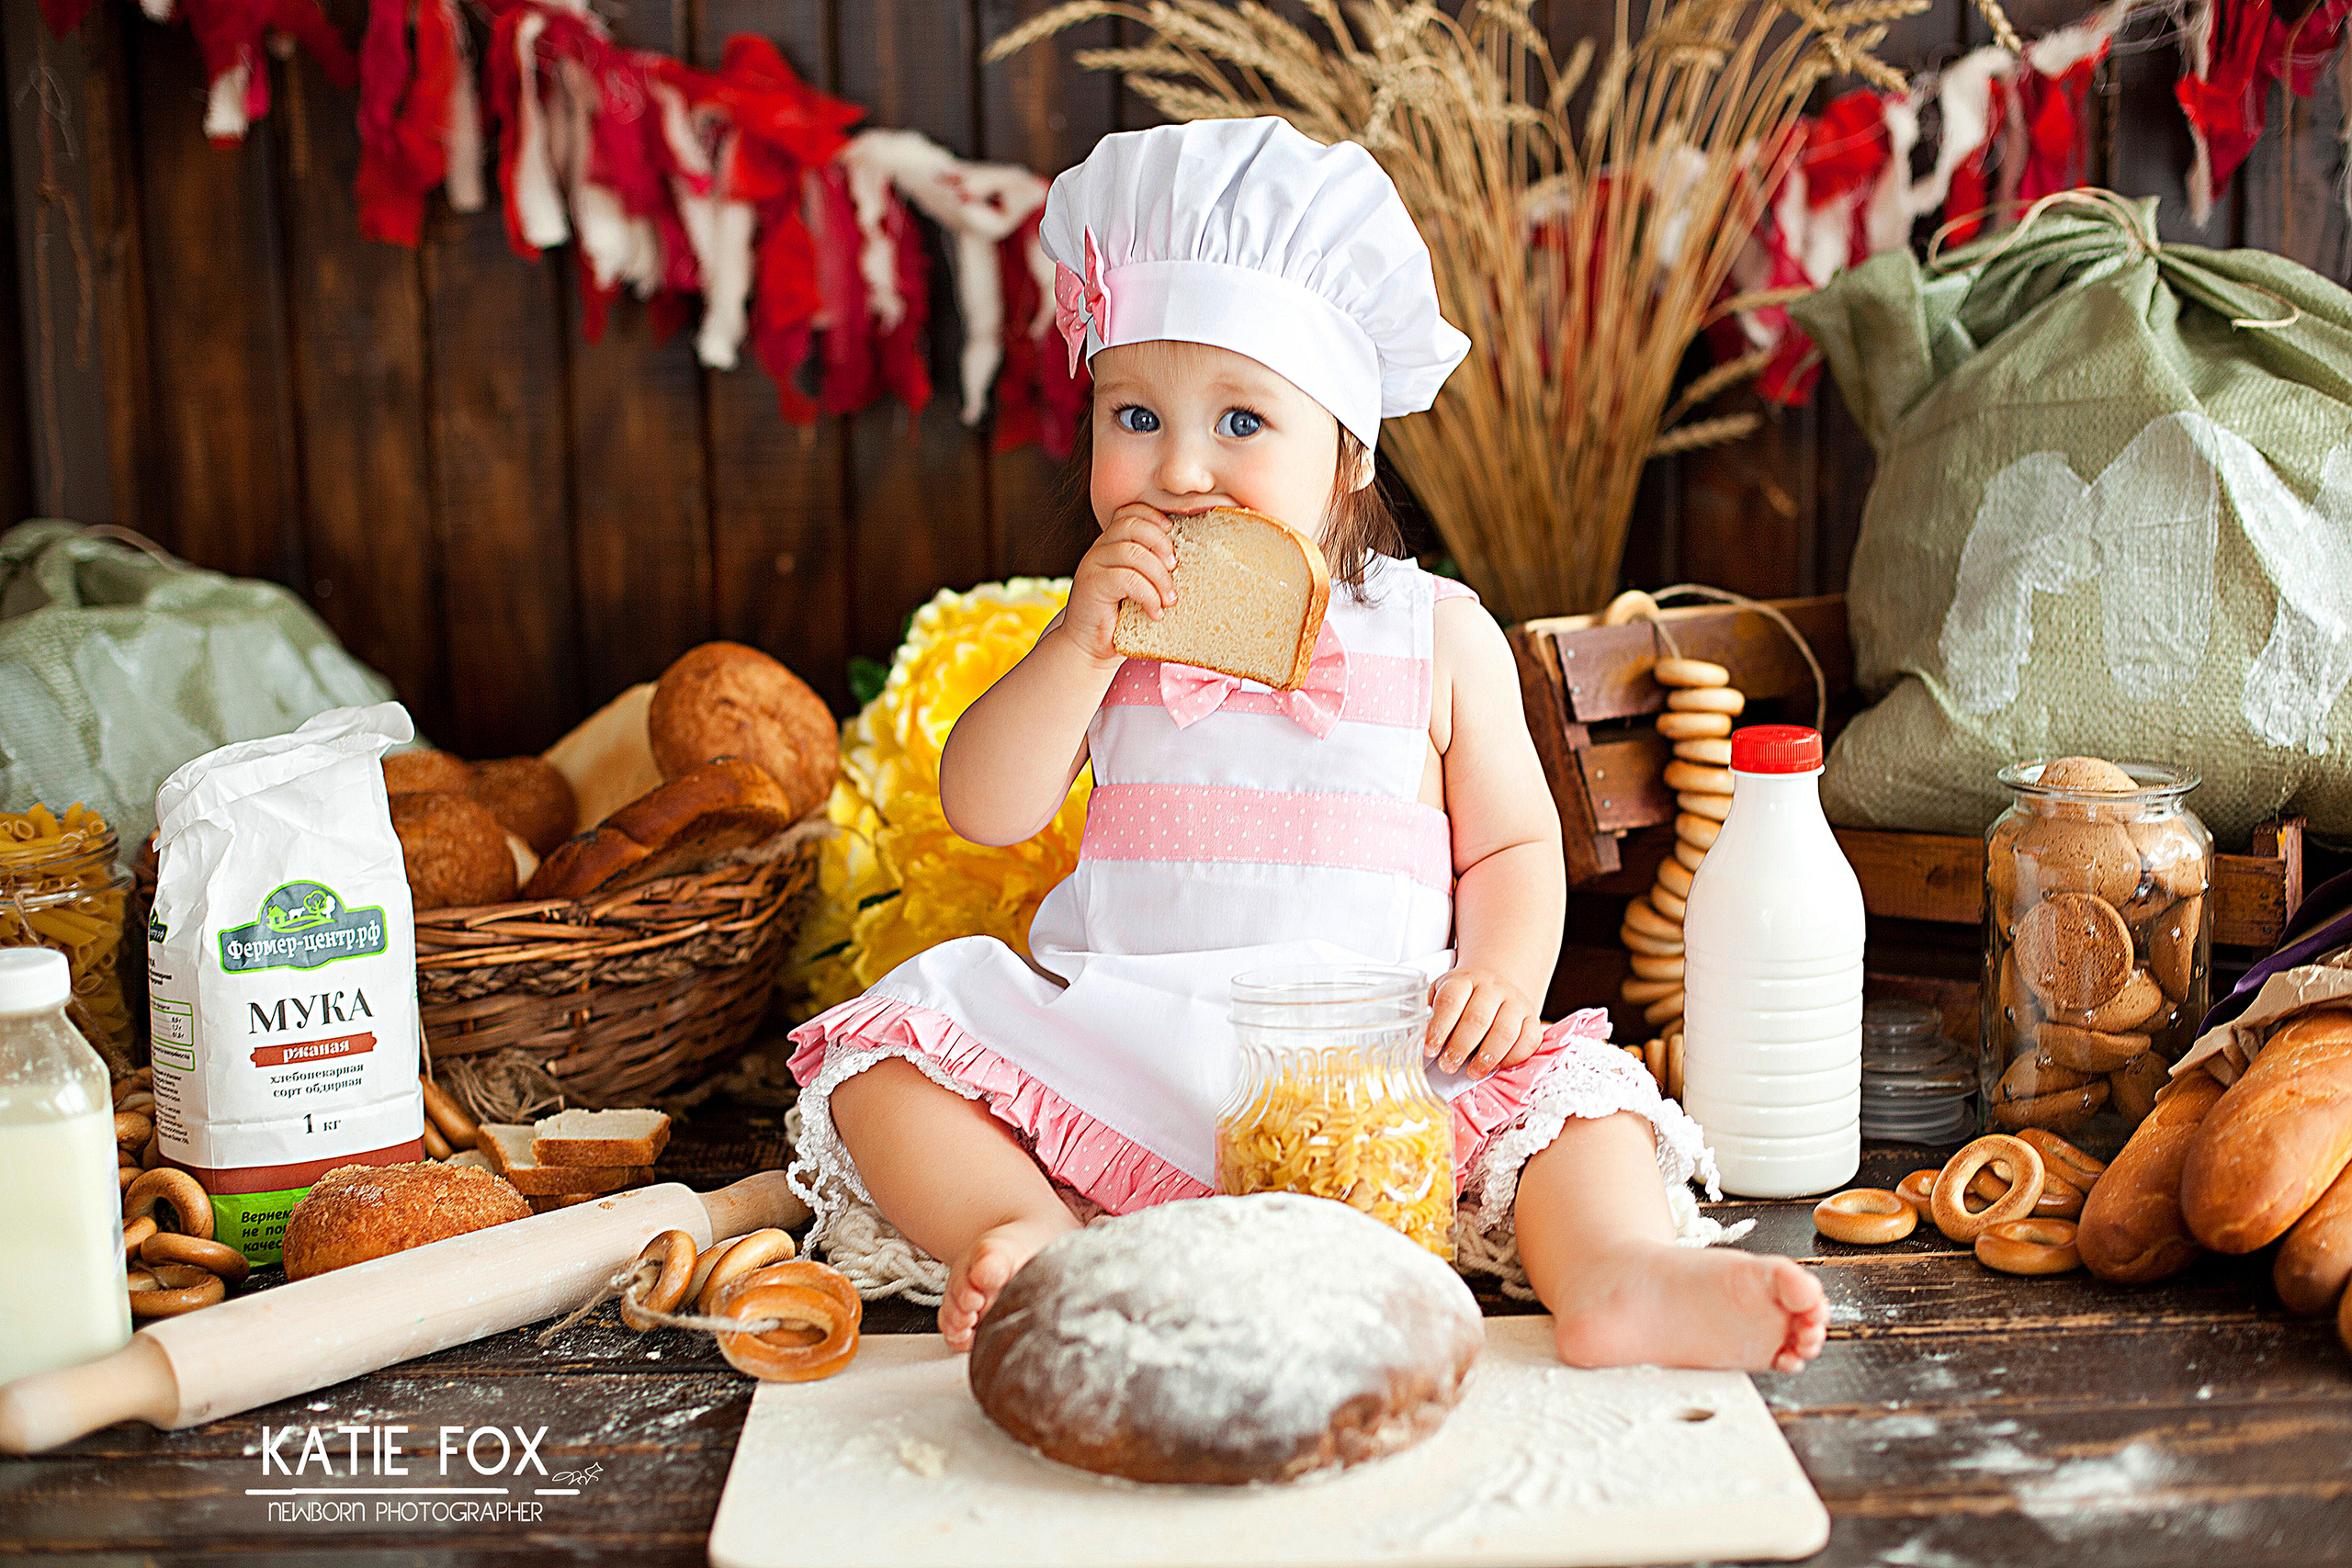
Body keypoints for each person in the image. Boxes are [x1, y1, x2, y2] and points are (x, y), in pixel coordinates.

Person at [788, 118, 1828, 1372]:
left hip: (1383, 1067)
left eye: (1240, 423)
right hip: (1132, 1044)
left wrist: (1500, 971)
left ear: (1347, 453)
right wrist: (1075, 647)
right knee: (882, 1052)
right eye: (1134, 415)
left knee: (1582, 1110)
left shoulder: (1437, 636)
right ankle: (1028, 1233)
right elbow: (988, 807)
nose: (1180, 469)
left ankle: (1616, 1274)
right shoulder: (1111, 636)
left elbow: (1510, 840)